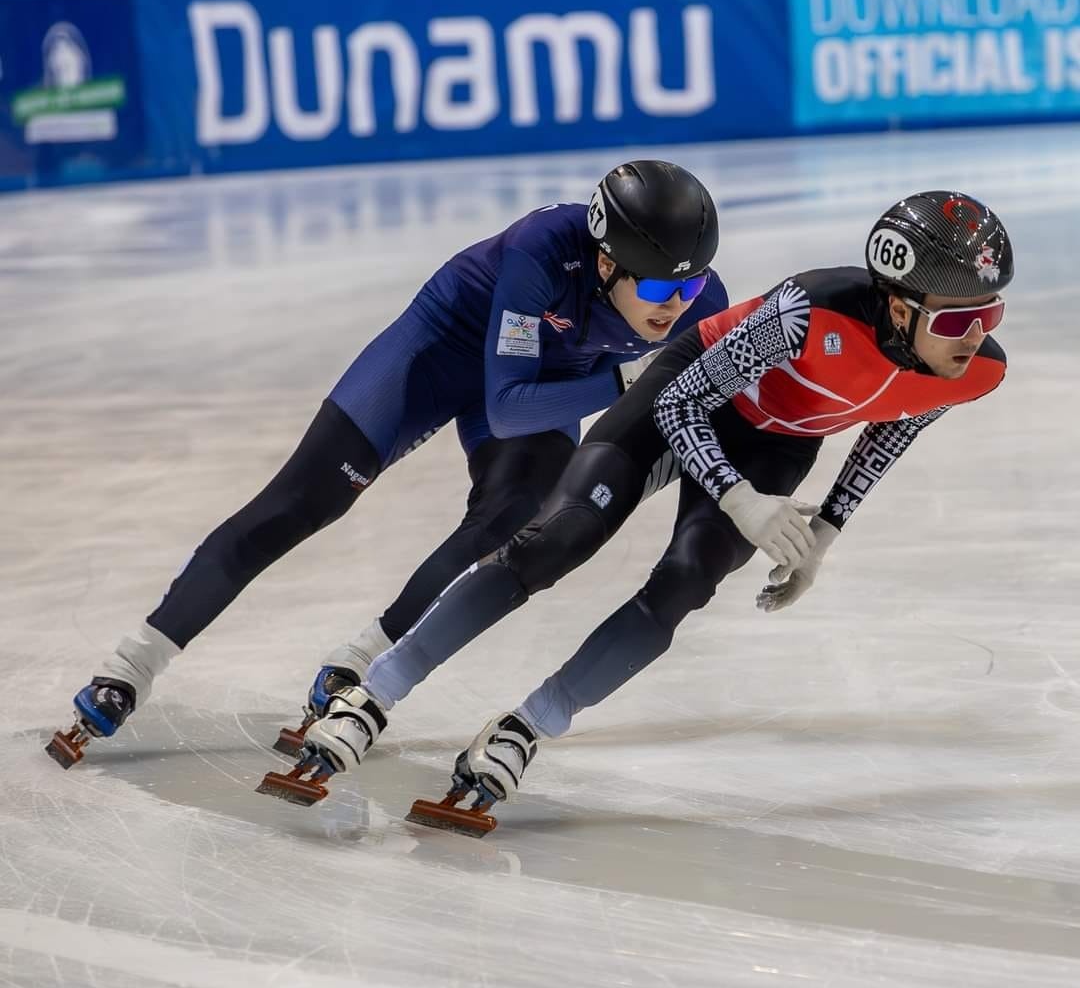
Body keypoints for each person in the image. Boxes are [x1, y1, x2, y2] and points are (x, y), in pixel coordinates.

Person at [256, 190, 1012, 832]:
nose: (974, 337)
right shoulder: (810, 311)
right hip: (685, 399)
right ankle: (374, 693)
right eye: (953, 322)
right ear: (894, 301)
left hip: (775, 445)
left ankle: (529, 726)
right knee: (553, 544)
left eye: (990, 315)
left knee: (681, 588)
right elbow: (685, 403)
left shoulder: (974, 372)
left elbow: (889, 435)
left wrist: (827, 530)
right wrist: (742, 501)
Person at [46, 160, 728, 769]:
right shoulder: (542, 252)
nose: (678, 306)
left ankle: (358, 661)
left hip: (547, 379)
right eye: (662, 289)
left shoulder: (700, 301)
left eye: (691, 289)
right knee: (300, 504)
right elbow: (511, 404)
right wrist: (624, 383)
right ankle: (132, 665)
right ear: (607, 264)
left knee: (514, 517)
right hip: (441, 355)